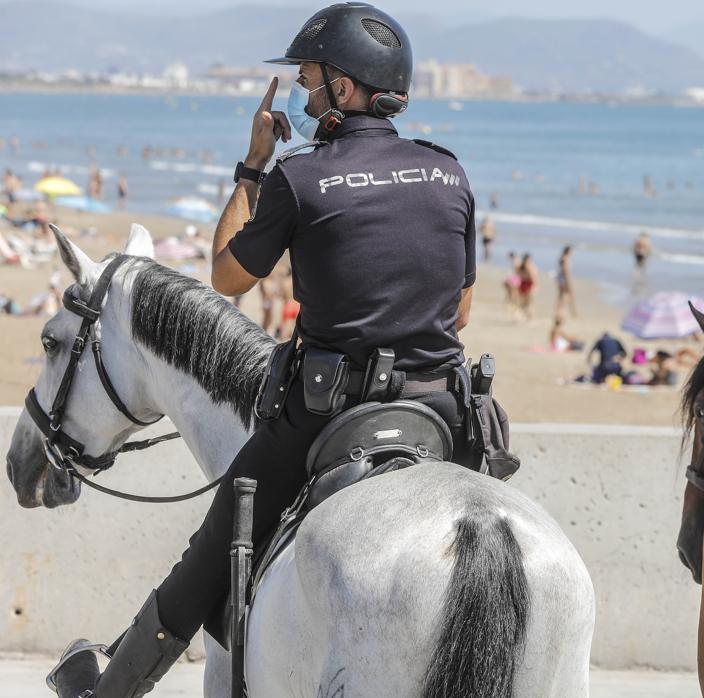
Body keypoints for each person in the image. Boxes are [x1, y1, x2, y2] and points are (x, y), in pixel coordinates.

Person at [49, 6, 481, 696]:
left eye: (309, 81)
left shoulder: (302, 176)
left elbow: (225, 279)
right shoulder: (447, 173)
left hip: (328, 414)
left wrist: (252, 165)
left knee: (209, 552)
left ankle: (111, 688)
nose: (303, 98)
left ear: (344, 89)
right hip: (443, 410)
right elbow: (459, 309)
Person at [555, 245, 576, 317]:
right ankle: (571, 312)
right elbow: (565, 270)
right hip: (564, 277)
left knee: (561, 294)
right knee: (570, 295)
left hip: (560, 277)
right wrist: (568, 280)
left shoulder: (561, 257)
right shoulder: (565, 259)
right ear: (568, 251)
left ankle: (559, 310)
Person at [517, 252, 538, 321]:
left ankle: (523, 316)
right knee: (529, 303)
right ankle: (529, 318)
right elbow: (533, 278)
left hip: (522, 284)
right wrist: (536, 286)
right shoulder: (530, 267)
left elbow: (518, 276)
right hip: (529, 284)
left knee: (523, 302)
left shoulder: (520, 266)